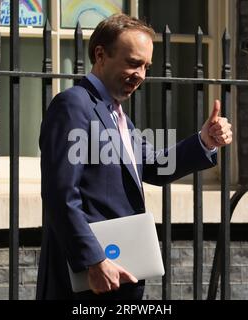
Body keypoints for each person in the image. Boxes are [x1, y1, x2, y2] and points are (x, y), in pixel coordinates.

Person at [36, 13, 232, 300]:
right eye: (133, 63)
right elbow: (60, 193)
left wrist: (205, 141)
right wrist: (94, 260)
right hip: (89, 280)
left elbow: (153, 166)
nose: (140, 74)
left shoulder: (114, 113)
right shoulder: (73, 105)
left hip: (117, 273)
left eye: (145, 66)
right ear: (100, 55)